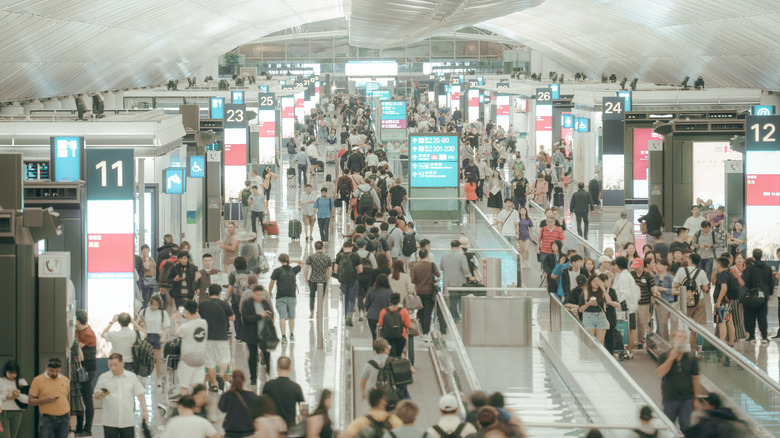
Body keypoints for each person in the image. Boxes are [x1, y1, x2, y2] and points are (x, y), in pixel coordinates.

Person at [93, 353, 147, 438]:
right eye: (110, 365)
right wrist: (99, 395)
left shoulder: (131, 377)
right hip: (109, 421)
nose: (113, 368)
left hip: (127, 420)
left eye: (115, 365)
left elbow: (140, 393)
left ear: (122, 363)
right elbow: (96, 394)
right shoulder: (104, 377)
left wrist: (144, 410)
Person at [656, 330, 700, 433]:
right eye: (680, 337)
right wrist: (671, 359)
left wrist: (696, 398)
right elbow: (660, 373)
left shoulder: (691, 359)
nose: (682, 340)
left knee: (686, 427)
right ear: (673, 340)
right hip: (670, 398)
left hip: (686, 399)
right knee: (668, 427)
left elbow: (696, 379)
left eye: (684, 338)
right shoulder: (664, 357)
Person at [198, 284, 235, 392]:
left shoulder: (202, 305)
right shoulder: (224, 304)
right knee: (225, 358)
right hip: (222, 336)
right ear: (219, 294)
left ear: (208, 293)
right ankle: (221, 375)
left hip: (207, 337)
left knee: (210, 361)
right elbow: (232, 318)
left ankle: (213, 384)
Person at [672, 253, 710, 351]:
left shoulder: (681, 270)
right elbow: (706, 289)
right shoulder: (701, 272)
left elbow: (675, 285)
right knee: (697, 327)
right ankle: (696, 350)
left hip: (685, 301)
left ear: (690, 260)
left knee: (684, 325)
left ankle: (681, 348)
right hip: (699, 300)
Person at [174, 299, 208, 395]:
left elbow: (176, 333)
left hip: (187, 360)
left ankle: (187, 407)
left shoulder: (185, 327)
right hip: (200, 360)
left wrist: (177, 320)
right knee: (197, 389)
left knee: (184, 388)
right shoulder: (204, 323)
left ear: (186, 312)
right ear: (196, 310)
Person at [29, 357, 70, 438]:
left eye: (57, 371)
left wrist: (70, 418)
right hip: (47, 419)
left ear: (60, 369)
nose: (54, 373)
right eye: (51, 371)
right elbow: (30, 401)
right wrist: (44, 400)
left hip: (64, 419)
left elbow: (66, 398)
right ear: (46, 367)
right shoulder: (37, 380)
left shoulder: (65, 380)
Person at [241, 285, 274, 386]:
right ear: (253, 293)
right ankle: (253, 378)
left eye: (262, 295)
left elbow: (271, 314)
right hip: (251, 333)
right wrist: (260, 316)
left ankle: (269, 374)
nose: (260, 297)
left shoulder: (265, 303)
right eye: (258, 294)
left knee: (266, 353)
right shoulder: (247, 303)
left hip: (264, 333)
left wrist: (269, 315)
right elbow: (246, 318)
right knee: (252, 355)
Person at [269, 254, 304, 344]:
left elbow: (272, 283)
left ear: (280, 261)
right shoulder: (293, 270)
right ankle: (291, 334)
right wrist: (293, 261)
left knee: (282, 317)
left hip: (280, 296)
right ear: (288, 260)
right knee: (291, 316)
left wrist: (270, 292)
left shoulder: (277, 271)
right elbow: (302, 262)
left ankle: (283, 336)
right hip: (292, 296)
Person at [261, 357, 305, 428]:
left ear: (277, 368)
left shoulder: (268, 386)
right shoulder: (296, 387)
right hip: (290, 427)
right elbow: (303, 409)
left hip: (273, 427)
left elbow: (262, 407)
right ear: (290, 369)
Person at [741, 248, 773, 344]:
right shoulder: (767, 267)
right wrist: (769, 293)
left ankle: (752, 337)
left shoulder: (749, 267)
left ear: (753, 256)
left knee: (750, 317)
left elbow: (744, 281)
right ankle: (764, 337)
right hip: (763, 296)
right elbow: (771, 282)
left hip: (751, 295)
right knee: (762, 317)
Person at [73, 310, 96, 436]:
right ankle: (80, 427)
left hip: (87, 369)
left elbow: (76, 348)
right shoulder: (80, 331)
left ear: (77, 321)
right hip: (82, 368)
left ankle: (87, 429)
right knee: (81, 399)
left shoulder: (87, 334)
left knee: (87, 400)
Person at [440, 240, 475, 322]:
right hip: (458, 281)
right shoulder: (461, 256)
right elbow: (465, 269)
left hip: (448, 281)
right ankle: (454, 316)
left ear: (451, 247)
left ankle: (455, 315)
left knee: (452, 298)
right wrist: (470, 277)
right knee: (456, 299)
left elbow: (441, 267)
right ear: (459, 247)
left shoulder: (444, 256)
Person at [137, 295, 170, 382]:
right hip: (146, 336)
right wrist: (141, 322)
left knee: (158, 359)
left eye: (156, 305)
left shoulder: (163, 313)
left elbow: (166, 326)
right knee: (143, 357)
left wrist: (163, 337)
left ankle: (159, 377)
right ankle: (143, 377)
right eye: (152, 305)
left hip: (157, 337)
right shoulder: (144, 312)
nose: (154, 307)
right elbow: (138, 325)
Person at [410, 249, 441, 338]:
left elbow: (413, 281)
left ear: (419, 256)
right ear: (427, 255)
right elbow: (438, 276)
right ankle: (426, 331)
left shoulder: (416, 267)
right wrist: (434, 281)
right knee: (428, 312)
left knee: (421, 311)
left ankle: (422, 328)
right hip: (429, 292)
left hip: (419, 292)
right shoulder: (432, 265)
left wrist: (414, 292)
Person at [613, 257, 640, 357]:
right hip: (630, 306)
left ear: (617, 266)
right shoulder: (626, 275)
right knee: (629, 329)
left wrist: (620, 304)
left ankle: (628, 351)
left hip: (625, 307)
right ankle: (629, 351)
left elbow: (624, 293)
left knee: (627, 329)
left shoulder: (624, 277)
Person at [218, 370, 257, 438]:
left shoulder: (227, 396)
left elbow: (222, 409)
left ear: (232, 380)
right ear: (244, 380)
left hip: (230, 432)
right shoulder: (252, 396)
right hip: (248, 433)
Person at [334, 241, 364, 327]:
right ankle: (348, 316)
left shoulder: (339, 256)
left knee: (345, 299)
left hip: (343, 281)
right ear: (351, 247)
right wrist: (355, 273)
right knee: (352, 300)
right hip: (353, 280)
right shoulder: (355, 256)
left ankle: (345, 316)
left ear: (343, 247)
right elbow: (361, 270)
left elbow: (335, 270)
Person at [305, 241, 333, 319]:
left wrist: (306, 277)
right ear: (322, 247)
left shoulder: (311, 257)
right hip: (323, 280)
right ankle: (319, 310)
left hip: (313, 279)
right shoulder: (327, 258)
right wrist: (327, 279)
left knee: (312, 296)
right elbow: (330, 270)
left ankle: (312, 311)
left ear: (315, 247)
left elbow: (306, 268)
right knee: (321, 296)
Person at [378, 293, 412, 357]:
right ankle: (398, 364)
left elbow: (380, 324)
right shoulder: (404, 311)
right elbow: (408, 325)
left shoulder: (384, 311)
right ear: (399, 301)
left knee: (390, 355)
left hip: (387, 337)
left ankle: (391, 364)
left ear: (389, 301)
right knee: (398, 355)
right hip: (401, 337)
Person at [631, 258, 655, 349]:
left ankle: (641, 340)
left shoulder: (648, 275)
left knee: (642, 323)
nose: (635, 269)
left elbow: (653, 286)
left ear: (641, 266)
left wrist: (654, 292)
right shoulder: (631, 275)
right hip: (633, 303)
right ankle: (634, 341)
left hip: (644, 303)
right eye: (634, 267)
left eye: (637, 267)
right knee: (634, 322)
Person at [227, 256, 252, 342]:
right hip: (248, 299)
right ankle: (247, 335)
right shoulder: (250, 273)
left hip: (236, 299)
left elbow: (230, 288)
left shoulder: (233, 274)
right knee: (246, 317)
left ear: (235, 264)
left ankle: (239, 336)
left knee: (237, 318)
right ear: (246, 264)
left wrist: (226, 298)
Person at [0, 360, 28, 438]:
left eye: (14, 373)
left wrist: (18, 396)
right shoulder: (1, 381)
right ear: (5, 371)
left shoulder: (21, 381)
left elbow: (27, 400)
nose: (12, 375)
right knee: (5, 436)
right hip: (3, 413)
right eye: (10, 372)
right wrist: (6, 397)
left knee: (13, 436)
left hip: (17, 413)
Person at [652, 259, 677, 341]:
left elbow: (674, 290)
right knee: (662, 325)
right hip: (660, 303)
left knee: (674, 323)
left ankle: (673, 342)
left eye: (660, 264)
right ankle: (665, 342)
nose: (658, 266)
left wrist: (663, 289)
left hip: (670, 302)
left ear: (666, 266)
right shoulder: (655, 277)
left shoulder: (670, 277)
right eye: (657, 264)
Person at [365, 274, 394, 341]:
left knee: (374, 336)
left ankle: (375, 350)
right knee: (384, 336)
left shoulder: (371, 290)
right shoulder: (390, 292)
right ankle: (383, 349)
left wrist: (369, 310)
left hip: (372, 316)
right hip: (385, 317)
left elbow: (367, 304)